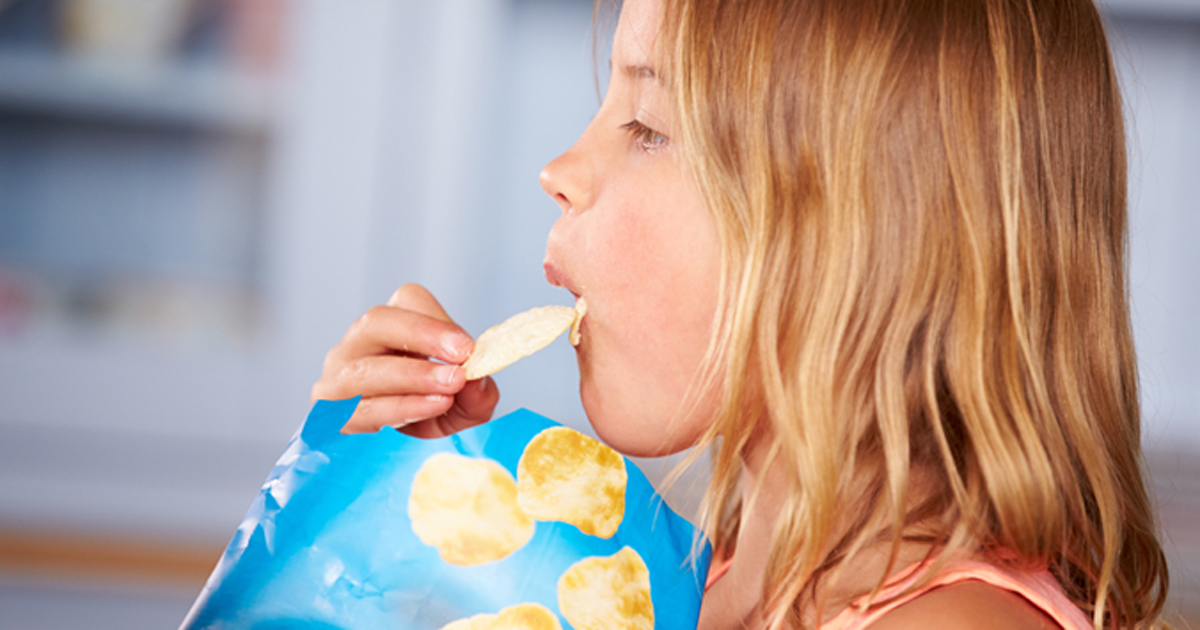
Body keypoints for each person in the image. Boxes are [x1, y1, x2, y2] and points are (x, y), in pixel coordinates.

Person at [311, 0, 1170, 627]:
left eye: (646, 126)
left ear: (856, 235)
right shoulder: (701, 579)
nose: (559, 169)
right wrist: (400, 519)